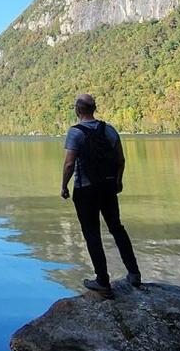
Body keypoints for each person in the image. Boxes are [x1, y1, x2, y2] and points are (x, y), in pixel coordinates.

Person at [60, 93, 141, 294]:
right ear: (94, 109)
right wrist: (118, 180)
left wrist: (63, 186)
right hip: (108, 187)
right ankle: (134, 274)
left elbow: (69, 163)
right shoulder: (109, 130)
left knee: (91, 233)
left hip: (85, 190)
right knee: (117, 228)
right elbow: (121, 159)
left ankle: (103, 281)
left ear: (78, 110)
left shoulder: (75, 133)